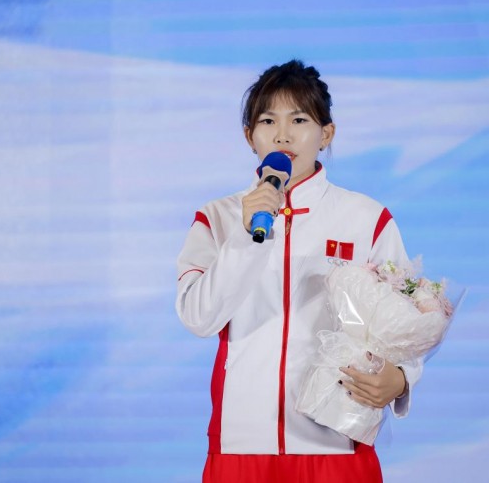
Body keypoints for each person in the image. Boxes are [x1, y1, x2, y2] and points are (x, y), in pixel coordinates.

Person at [176, 60, 422, 482]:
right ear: (249, 136)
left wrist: (401, 380)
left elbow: (407, 324)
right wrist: (246, 238)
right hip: (241, 448)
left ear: (326, 134)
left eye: (299, 119)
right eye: (267, 120)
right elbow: (199, 317)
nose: (283, 134)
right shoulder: (216, 218)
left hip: (337, 444)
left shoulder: (367, 219)